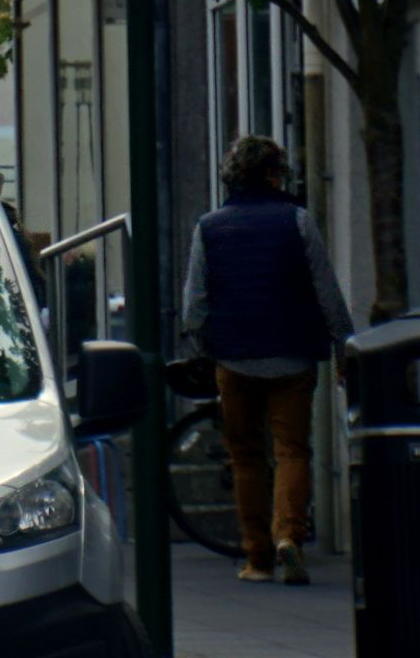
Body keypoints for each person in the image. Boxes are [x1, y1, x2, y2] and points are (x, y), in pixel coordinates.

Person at [180, 132, 354, 587]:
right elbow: (327, 293)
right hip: (294, 356)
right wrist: (342, 347)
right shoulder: (298, 222)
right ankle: (289, 538)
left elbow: (193, 306)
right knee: (292, 450)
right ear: (275, 175)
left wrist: (202, 349)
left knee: (246, 457)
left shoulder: (209, 227)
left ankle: (256, 558)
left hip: (235, 359)